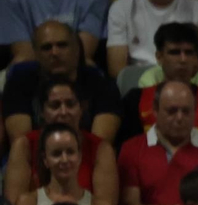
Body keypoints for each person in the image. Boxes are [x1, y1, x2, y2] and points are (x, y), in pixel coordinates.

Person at [116, 80, 198, 205]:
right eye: (172, 111)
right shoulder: (132, 149)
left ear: (195, 111)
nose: (179, 118)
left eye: (186, 111)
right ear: (155, 110)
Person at [1, 19, 119, 148]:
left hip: (86, 157)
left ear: (77, 49)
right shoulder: (19, 83)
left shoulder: (102, 84)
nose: (55, 53)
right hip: (36, 158)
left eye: (62, 45)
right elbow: (22, 145)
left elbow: (98, 146)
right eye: (46, 48)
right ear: (36, 54)